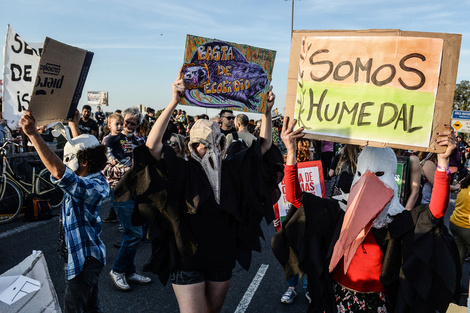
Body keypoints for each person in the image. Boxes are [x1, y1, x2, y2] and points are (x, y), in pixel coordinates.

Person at [113, 75, 283, 313]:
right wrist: (173, 103)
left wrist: (266, 112)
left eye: (215, 143)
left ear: (223, 144)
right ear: (192, 146)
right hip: (186, 258)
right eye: (201, 144)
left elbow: (263, 147)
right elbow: (151, 148)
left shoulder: (232, 170)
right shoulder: (181, 171)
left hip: (221, 257)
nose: (208, 150)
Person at [272, 117, 460, 312]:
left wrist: (443, 161)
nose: (369, 185)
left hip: (377, 301)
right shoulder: (339, 211)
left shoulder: (397, 219)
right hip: (341, 295)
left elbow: (435, 213)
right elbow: (296, 198)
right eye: (362, 174)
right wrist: (291, 152)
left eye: (379, 175)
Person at [19, 111, 110, 313]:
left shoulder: (93, 187)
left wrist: (34, 135)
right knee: (91, 308)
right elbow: (82, 153)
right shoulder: (91, 177)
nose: (67, 161)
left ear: (83, 161)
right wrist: (73, 125)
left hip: (84, 260)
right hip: (85, 257)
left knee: (74, 308)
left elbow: (60, 173)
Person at [105, 107, 152, 291]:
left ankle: (129, 271)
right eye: (126, 122)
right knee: (134, 233)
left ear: (138, 124)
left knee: (133, 231)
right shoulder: (110, 139)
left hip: (138, 190)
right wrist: (128, 170)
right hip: (119, 189)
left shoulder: (141, 140)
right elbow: (106, 168)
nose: (128, 126)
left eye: (133, 123)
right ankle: (117, 270)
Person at [450, 173, 470, 268]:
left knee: (458, 260)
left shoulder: (465, 183)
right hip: (467, 227)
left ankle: (455, 282)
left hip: (456, 223)